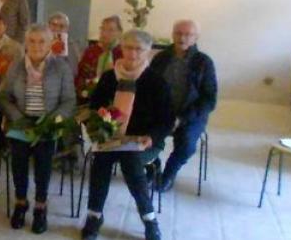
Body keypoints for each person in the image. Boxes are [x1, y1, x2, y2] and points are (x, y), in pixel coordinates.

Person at [81, 30, 174, 240]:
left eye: (139, 49)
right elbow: (94, 108)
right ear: (121, 49)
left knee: (131, 164)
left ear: (148, 52)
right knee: (100, 165)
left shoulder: (156, 82)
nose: (132, 54)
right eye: (128, 48)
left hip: (142, 140)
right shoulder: (108, 77)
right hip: (110, 138)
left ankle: (149, 219)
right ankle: (94, 215)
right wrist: (97, 127)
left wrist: (152, 136)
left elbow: (167, 120)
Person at [1, 24, 76, 234]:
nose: (36, 45)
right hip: (21, 122)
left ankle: (41, 206)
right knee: (19, 159)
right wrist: (17, 117)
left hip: (49, 123)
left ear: (51, 43)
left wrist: (51, 122)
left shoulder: (61, 67)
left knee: (44, 161)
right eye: (32, 41)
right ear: (26, 43)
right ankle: (21, 202)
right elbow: (5, 96)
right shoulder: (16, 65)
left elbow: (69, 101)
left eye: (41, 41)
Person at [150, 19, 218, 193]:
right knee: (141, 135)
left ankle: (168, 174)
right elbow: (149, 86)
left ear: (196, 38)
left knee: (187, 144)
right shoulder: (161, 58)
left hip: (190, 116)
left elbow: (209, 99)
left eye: (188, 34)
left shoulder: (204, 62)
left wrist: (183, 119)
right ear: (173, 35)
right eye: (178, 33)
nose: (182, 38)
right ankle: (152, 166)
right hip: (161, 113)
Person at [75, 16, 124, 104]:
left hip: (114, 99)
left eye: (110, 30)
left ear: (119, 33)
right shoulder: (91, 51)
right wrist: (81, 91)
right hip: (87, 98)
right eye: (102, 29)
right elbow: (80, 74)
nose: (105, 33)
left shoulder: (122, 53)